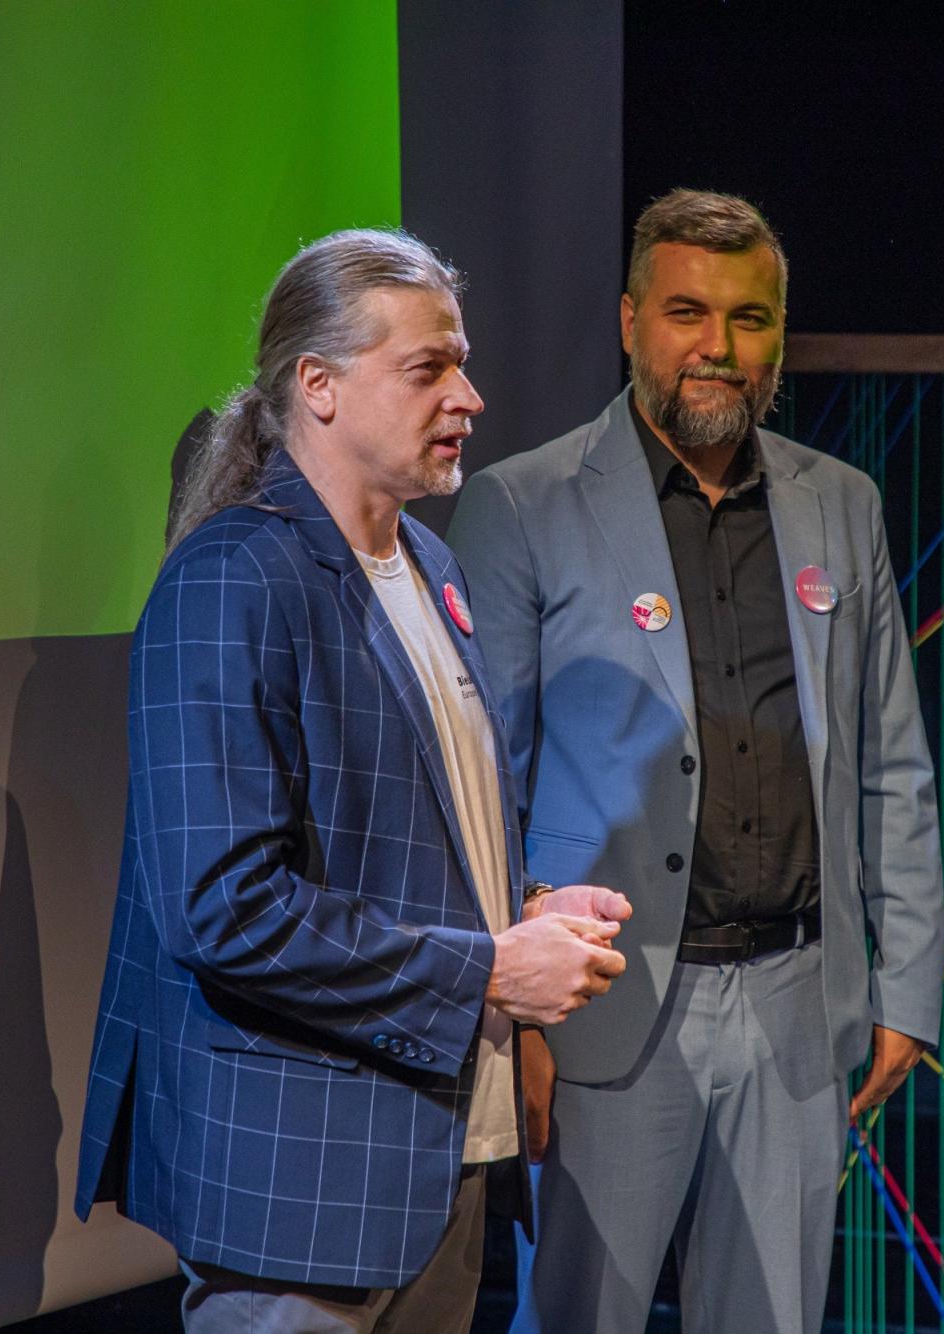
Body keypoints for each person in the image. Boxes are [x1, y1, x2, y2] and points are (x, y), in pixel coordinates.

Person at [74, 228, 631, 1334]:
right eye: (428, 368)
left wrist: (520, 910)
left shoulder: (432, 565)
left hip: (438, 1161)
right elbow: (224, 907)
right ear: (318, 386)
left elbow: (409, 839)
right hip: (301, 1187)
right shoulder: (233, 576)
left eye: (462, 362)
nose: (468, 396)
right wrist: (490, 970)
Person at [447, 190, 944, 1332]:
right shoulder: (522, 505)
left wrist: (908, 988)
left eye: (748, 317)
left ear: (778, 335)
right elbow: (482, 789)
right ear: (630, 322)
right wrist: (519, 1023)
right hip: (604, 1011)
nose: (717, 344)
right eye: (686, 312)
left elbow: (892, 764)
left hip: (797, 1004)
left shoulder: (842, 504)